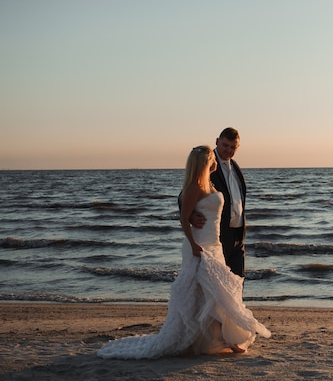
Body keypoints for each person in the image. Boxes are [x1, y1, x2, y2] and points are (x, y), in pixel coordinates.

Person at [97, 145, 270, 359]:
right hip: (199, 246)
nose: (215, 159)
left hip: (214, 245)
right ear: (206, 162)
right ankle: (229, 339)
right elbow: (183, 216)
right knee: (214, 291)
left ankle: (220, 337)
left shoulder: (210, 184)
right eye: (211, 158)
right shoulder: (194, 187)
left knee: (214, 292)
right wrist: (193, 242)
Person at [187, 127, 247, 278]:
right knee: (219, 286)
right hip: (217, 235)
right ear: (217, 142)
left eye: (233, 147)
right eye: (225, 145)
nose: (228, 150)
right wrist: (190, 215)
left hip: (238, 235)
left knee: (237, 282)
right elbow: (185, 194)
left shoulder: (236, 168)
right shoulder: (206, 163)